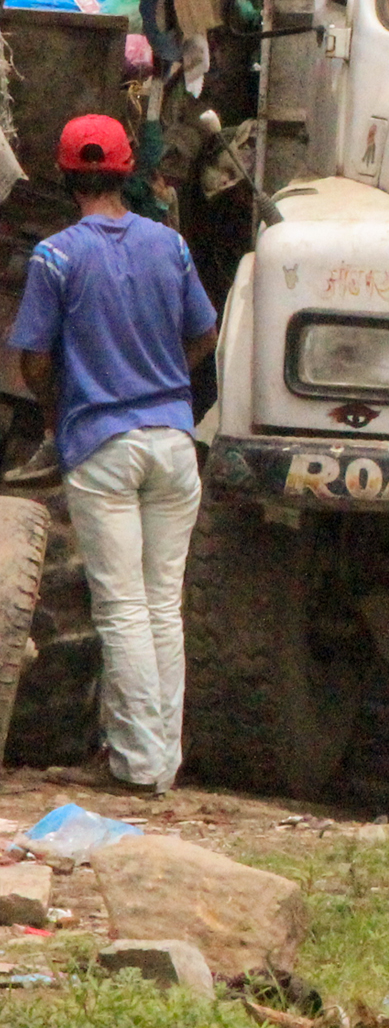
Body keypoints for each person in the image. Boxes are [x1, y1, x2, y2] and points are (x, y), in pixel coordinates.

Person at [3, 116, 217, 794]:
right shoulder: (171, 247)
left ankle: (136, 764)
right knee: (161, 606)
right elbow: (205, 334)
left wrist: (59, 407)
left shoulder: (57, 257)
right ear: (127, 170)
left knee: (122, 608)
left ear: (66, 177)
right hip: (174, 446)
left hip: (102, 444)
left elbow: (33, 360)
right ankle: (162, 762)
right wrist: (165, 380)